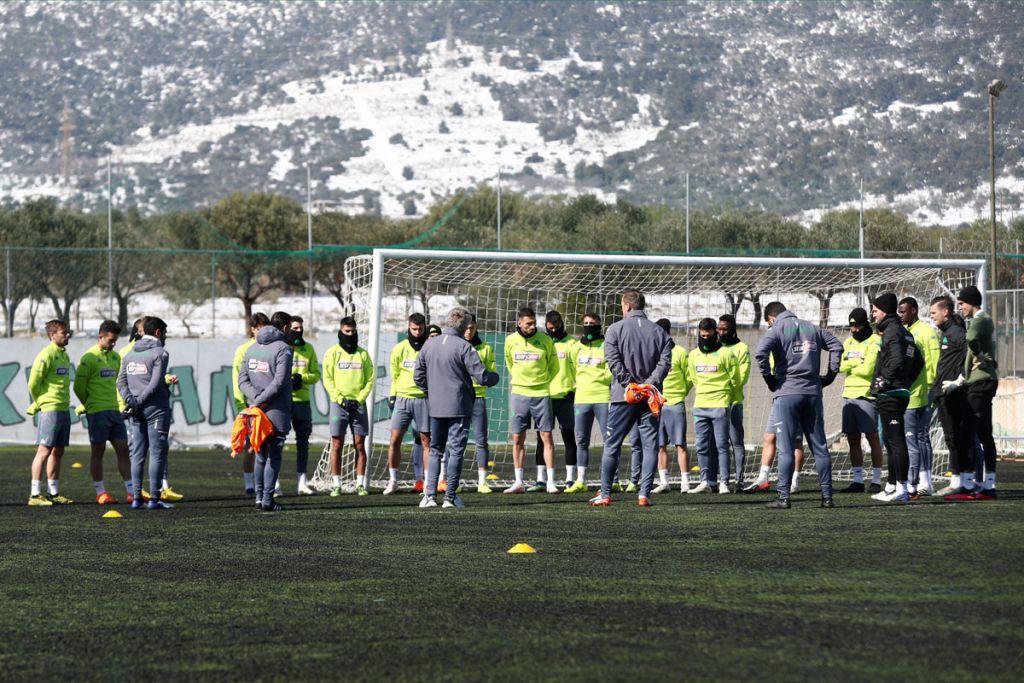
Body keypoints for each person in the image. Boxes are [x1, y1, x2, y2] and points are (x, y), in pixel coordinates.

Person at [755, 301, 843, 509]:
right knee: (820, 447)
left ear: (771, 318)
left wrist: (769, 379)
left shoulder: (776, 328)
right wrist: (830, 375)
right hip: (812, 392)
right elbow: (837, 346)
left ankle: (784, 498)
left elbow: (760, 353)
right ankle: (827, 497)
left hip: (787, 393)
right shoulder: (811, 327)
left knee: (786, 449)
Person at [589, 289, 672, 507]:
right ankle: (644, 494)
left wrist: (630, 385)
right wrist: (649, 385)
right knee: (649, 446)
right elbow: (665, 363)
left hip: (623, 397)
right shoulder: (660, 332)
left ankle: (605, 494)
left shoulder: (615, 329)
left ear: (626, 306)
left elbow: (612, 360)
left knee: (612, 445)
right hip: (650, 398)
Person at [413, 307, 500, 508]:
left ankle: (430, 496)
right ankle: (450, 497)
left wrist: (432, 390)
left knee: (435, 449)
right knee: (456, 450)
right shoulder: (464, 347)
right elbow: (482, 376)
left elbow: (417, 376)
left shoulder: (429, 345)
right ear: (464, 327)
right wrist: (495, 377)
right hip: (459, 406)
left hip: (435, 406)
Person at [118, 316, 183, 503]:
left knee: (137, 455)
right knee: (157, 453)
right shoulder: (160, 353)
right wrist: (139, 401)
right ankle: (154, 498)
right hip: (155, 409)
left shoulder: (129, 354)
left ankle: (137, 498)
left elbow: (120, 382)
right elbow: (155, 383)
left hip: (136, 410)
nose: (165, 337)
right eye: (165, 333)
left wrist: (131, 401)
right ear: (157, 332)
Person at [945, 285, 998, 500]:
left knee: (967, 431)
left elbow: (970, 340)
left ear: (972, 303)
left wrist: (978, 355)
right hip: (982, 381)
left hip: (981, 383)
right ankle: (988, 485)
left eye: (962, 303)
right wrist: (961, 379)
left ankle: (967, 485)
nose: (960, 307)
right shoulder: (982, 320)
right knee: (984, 432)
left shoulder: (980, 320)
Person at [238, 311, 294, 512]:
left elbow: (242, 380)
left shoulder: (251, 348)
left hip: (256, 410)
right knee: (274, 455)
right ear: (285, 328)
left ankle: (259, 498)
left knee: (260, 454)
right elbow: (279, 382)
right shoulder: (284, 349)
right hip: (275, 410)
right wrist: (262, 400)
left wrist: (255, 399)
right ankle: (268, 500)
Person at [868, 293, 921, 504]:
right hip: (899, 391)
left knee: (897, 441)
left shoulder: (892, 331)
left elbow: (898, 360)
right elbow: (918, 362)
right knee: (891, 441)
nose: (873, 315)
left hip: (891, 393)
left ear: (884, 311)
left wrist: (885, 381)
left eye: (874, 311)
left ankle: (902, 487)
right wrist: (907, 382)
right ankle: (891, 485)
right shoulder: (904, 332)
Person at [74, 320, 133, 505]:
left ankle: (131, 492)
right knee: (98, 451)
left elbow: (115, 382)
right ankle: (101, 492)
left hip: (114, 411)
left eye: (115, 340)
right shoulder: (88, 358)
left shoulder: (116, 358)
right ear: (100, 337)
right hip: (97, 413)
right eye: (110, 340)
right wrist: (89, 404)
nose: (113, 343)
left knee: (123, 449)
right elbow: (78, 387)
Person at [503, 307, 560, 494]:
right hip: (519, 394)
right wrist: (522, 382)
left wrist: (541, 383)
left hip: (541, 393)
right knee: (518, 437)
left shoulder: (545, 340)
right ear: (519, 323)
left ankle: (550, 482)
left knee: (546, 436)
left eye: (534, 323)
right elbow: (510, 363)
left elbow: (554, 367)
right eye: (528, 323)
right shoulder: (510, 341)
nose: (532, 326)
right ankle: (518, 481)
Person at [322, 316, 374, 496]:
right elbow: (327, 379)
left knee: (360, 444)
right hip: (339, 405)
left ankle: (360, 483)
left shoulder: (363, 354)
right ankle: (337, 484)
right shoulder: (332, 353)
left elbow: (369, 379)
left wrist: (359, 399)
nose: (350, 334)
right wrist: (340, 399)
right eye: (347, 331)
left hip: (358, 405)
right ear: (340, 331)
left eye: (353, 331)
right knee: (337, 444)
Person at [687, 318, 739, 495]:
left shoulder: (726, 353)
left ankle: (724, 482)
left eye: (708, 335)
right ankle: (705, 481)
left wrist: (723, 395)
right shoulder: (693, 355)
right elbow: (693, 378)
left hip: (720, 405)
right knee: (701, 445)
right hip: (700, 405)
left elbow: (736, 379)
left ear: (715, 333)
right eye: (702, 335)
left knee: (721, 445)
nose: (705, 338)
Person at [26, 320, 73, 506]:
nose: (67, 335)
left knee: (58, 451)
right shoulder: (46, 354)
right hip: (50, 409)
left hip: (63, 408)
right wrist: (40, 402)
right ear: (52, 335)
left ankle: (53, 493)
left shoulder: (64, 356)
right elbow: (32, 383)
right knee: (43, 451)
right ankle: (35, 495)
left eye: (68, 332)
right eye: (63, 333)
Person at [837, 307, 884, 494]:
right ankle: (857, 480)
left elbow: (868, 370)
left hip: (867, 395)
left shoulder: (875, 341)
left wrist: (852, 364)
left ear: (865, 324)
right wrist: (858, 362)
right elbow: (840, 366)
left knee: (872, 437)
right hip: (848, 395)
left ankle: (877, 480)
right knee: (852, 438)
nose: (854, 330)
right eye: (852, 326)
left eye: (857, 326)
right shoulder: (848, 342)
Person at [384, 313, 432, 495]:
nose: (417, 332)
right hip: (403, 399)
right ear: (408, 328)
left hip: (423, 399)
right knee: (394, 440)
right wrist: (392, 396)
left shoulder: (430, 347)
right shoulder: (400, 348)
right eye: (414, 329)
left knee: (426, 441)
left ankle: (427, 483)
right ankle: (393, 480)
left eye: (420, 329)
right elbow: (395, 375)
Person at [928, 296, 970, 497]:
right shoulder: (947, 333)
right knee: (953, 438)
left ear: (946, 312)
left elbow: (970, 353)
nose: (931, 316)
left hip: (952, 394)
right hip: (943, 392)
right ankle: (964, 481)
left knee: (955, 438)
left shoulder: (956, 333)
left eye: (934, 312)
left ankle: (960, 482)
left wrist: (960, 379)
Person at [531, 310, 578, 490]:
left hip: (566, 397)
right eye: (550, 328)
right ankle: (540, 479)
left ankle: (570, 479)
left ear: (562, 325)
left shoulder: (572, 343)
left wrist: (574, 389)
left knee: (569, 438)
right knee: (541, 439)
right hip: (544, 397)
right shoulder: (542, 342)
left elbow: (576, 370)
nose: (553, 331)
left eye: (557, 328)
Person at [898, 297, 940, 496]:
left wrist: (931, 385)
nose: (901, 315)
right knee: (917, 437)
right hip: (913, 391)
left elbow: (934, 360)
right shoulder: (907, 332)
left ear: (914, 311)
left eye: (904, 311)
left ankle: (924, 480)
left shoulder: (926, 331)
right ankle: (921, 480)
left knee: (920, 436)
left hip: (925, 390)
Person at [566, 312, 611, 493]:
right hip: (581, 399)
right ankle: (581, 480)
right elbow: (571, 369)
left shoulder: (606, 345)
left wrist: (601, 379)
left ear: (599, 325)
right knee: (581, 441)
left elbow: (611, 370)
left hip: (602, 398)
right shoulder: (576, 348)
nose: (588, 325)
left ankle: (611, 480)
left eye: (592, 323)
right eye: (585, 323)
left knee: (609, 441)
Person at [652, 318, 691, 494]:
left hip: (675, 404)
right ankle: (664, 482)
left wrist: (681, 393)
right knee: (660, 445)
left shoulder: (681, 352)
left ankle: (685, 481)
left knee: (680, 444)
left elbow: (689, 377)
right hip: (656, 405)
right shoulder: (651, 352)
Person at [233, 313, 270, 496]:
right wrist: (241, 405)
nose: (262, 330)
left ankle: (268, 483)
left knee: (267, 445)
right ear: (252, 329)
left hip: (268, 404)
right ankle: (249, 484)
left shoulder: (271, 347)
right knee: (250, 446)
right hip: (250, 404)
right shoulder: (243, 350)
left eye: (265, 326)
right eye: (259, 327)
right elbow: (237, 378)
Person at [460, 315, 497, 493]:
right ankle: (454, 480)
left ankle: (483, 481)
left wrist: (488, 378)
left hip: (478, 398)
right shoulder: (457, 346)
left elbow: (491, 372)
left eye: (472, 328)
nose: (469, 331)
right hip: (459, 398)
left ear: (476, 328)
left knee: (481, 439)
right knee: (457, 439)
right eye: (466, 328)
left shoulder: (486, 349)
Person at [719, 314, 751, 489]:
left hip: (733, 402)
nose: (721, 332)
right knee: (717, 443)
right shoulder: (714, 348)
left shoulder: (741, 348)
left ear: (732, 329)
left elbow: (742, 377)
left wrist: (723, 386)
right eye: (719, 328)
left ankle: (739, 480)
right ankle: (715, 480)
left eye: (725, 329)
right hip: (714, 403)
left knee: (736, 441)